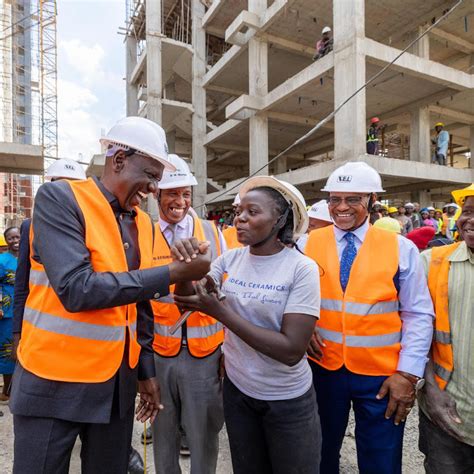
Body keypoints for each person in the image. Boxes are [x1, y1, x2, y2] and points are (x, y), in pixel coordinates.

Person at [10, 117, 212, 474]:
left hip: (115, 387)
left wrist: (145, 372)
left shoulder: (143, 224)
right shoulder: (60, 199)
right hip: (53, 379)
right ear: (118, 160)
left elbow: (142, 304)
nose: (153, 189)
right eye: (149, 175)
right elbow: (76, 288)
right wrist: (172, 273)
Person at [175, 176, 322, 474]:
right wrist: (184, 268)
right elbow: (187, 299)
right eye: (240, 210)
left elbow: (292, 350)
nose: (240, 217)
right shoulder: (230, 259)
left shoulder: (301, 268)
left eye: (252, 212)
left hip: (286, 400)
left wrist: (221, 312)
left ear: (279, 220)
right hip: (239, 393)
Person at [305, 162, 434, 474]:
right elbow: (292, 295)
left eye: (353, 200)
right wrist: (301, 326)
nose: (342, 208)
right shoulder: (306, 243)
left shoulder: (400, 249)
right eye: (335, 199)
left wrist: (408, 374)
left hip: (382, 376)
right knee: (316, 455)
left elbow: (418, 313)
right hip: (323, 367)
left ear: (372, 201)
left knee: (381, 461)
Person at [150, 154, 225, 474]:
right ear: (157, 195)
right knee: (163, 435)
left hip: (204, 354)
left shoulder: (211, 231)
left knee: (203, 436)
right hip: (159, 353)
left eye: (185, 193)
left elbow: (227, 290)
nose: (179, 201)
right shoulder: (144, 231)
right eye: (172, 193)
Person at [418, 183, 474, 473]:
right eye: (468, 212)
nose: (471, 220)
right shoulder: (432, 262)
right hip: (446, 411)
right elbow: (415, 332)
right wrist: (430, 389)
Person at [0, 226, 20, 403]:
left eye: (17, 237)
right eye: (11, 238)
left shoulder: (31, 258)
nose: (15, 241)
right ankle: (7, 390)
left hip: (29, 311)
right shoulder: (2, 260)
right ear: (6, 241)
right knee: (8, 351)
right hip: (7, 313)